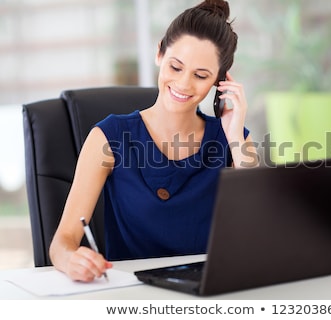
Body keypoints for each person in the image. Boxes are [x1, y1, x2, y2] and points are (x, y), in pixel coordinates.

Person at [49, 0, 258, 282]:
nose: (184, 84)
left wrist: (234, 135)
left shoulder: (232, 139)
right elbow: (62, 242)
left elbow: (260, 227)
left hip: (208, 289)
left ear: (219, 81)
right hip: (132, 291)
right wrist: (72, 259)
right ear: (159, 53)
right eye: (175, 67)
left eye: (200, 75)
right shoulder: (109, 137)